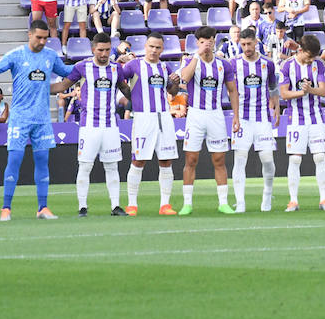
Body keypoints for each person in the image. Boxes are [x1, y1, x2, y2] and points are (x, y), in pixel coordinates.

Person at [0, 20, 73, 220]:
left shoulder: (50, 56)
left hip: (42, 119)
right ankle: (5, 208)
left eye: (45, 38)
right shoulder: (17, 55)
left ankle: (42, 207)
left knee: (43, 162)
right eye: (39, 37)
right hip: (20, 118)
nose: (42, 41)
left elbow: (68, 72)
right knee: (14, 160)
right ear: (29, 35)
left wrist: (88, 64)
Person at [176, 26, 240, 216]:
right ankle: (187, 203)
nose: (207, 43)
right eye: (203, 40)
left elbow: (232, 90)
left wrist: (235, 115)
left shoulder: (224, 65)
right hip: (195, 114)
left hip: (216, 114)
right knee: (191, 159)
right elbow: (184, 80)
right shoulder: (190, 61)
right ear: (197, 42)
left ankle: (223, 202)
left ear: (214, 40)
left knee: (219, 159)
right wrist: (197, 55)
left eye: (210, 39)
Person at [65, 33, 127, 218]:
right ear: (93, 49)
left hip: (110, 126)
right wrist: (41, 88)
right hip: (89, 126)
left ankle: (115, 206)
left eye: (107, 50)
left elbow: (126, 90)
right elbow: (64, 84)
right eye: (100, 50)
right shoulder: (82, 67)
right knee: (85, 166)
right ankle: (82, 207)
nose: (104, 53)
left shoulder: (116, 68)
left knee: (112, 166)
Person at [118, 33, 179, 216]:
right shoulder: (134, 65)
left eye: (158, 47)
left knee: (166, 160)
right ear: (145, 46)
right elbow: (118, 79)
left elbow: (172, 92)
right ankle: (132, 204)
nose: (154, 50)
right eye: (151, 46)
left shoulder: (164, 67)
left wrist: (175, 83)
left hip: (163, 117)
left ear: (162, 49)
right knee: (138, 160)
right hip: (143, 117)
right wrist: (129, 94)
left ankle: (165, 205)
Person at [227, 27, 278, 213]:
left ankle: (268, 195)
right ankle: (240, 202)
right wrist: (234, 115)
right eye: (243, 44)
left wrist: (277, 107)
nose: (246, 48)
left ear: (256, 42)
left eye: (249, 44)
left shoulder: (268, 63)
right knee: (239, 159)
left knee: (267, 158)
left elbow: (273, 87)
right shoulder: (233, 63)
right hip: (242, 119)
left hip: (263, 118)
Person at [279, 34, 325, 212]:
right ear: (300, 50)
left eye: (313, 58)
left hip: (316, 117)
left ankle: (324, 199)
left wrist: (310, 90)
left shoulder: (319, 65)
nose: (311, 61)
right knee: (295, 158)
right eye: (309, 57)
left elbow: (323, 91)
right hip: (296, 119)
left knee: (320, 157)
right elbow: (284, 94)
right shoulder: (287, 66)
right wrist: (302, 93)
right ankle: (293, 200)